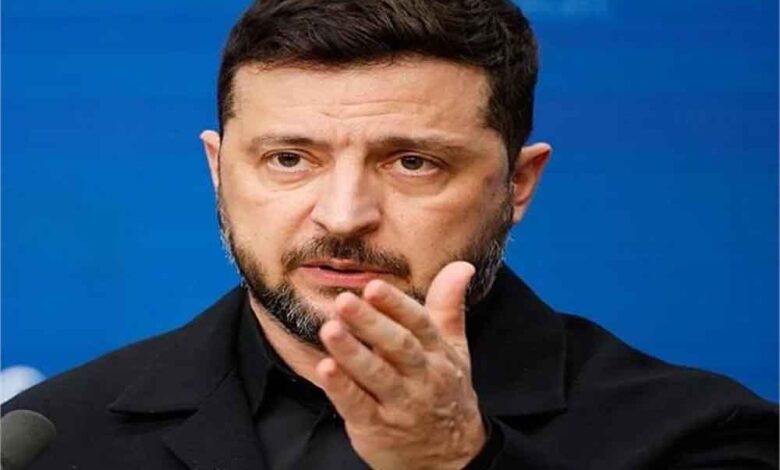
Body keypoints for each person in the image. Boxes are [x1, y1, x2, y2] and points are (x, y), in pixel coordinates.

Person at [3, 0, 777, 468]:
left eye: (412, 162)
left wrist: (456, 465)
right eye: (288, 159)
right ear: (217, 170)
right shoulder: (49, 439)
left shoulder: (699, 437)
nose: (343, 215)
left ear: (518, 185)